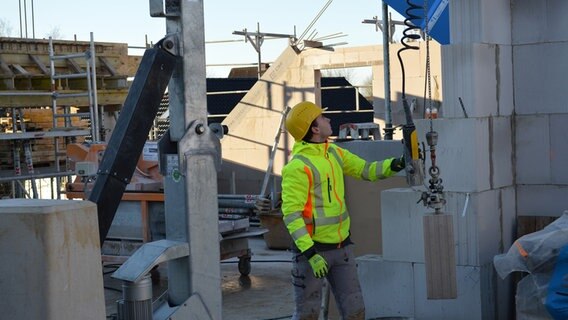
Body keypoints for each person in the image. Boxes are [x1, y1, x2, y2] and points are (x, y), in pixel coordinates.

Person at [281, 101, 405, 320]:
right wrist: (310, 253)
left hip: (342, 249)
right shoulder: (298, 167)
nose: (328, 119)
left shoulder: (334, 152)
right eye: (322, 117)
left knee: (355, 312)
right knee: (307, 315)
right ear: (315, 129)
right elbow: (292, 215)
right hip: (312, 254)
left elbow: (366, 170)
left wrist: (396, 164)